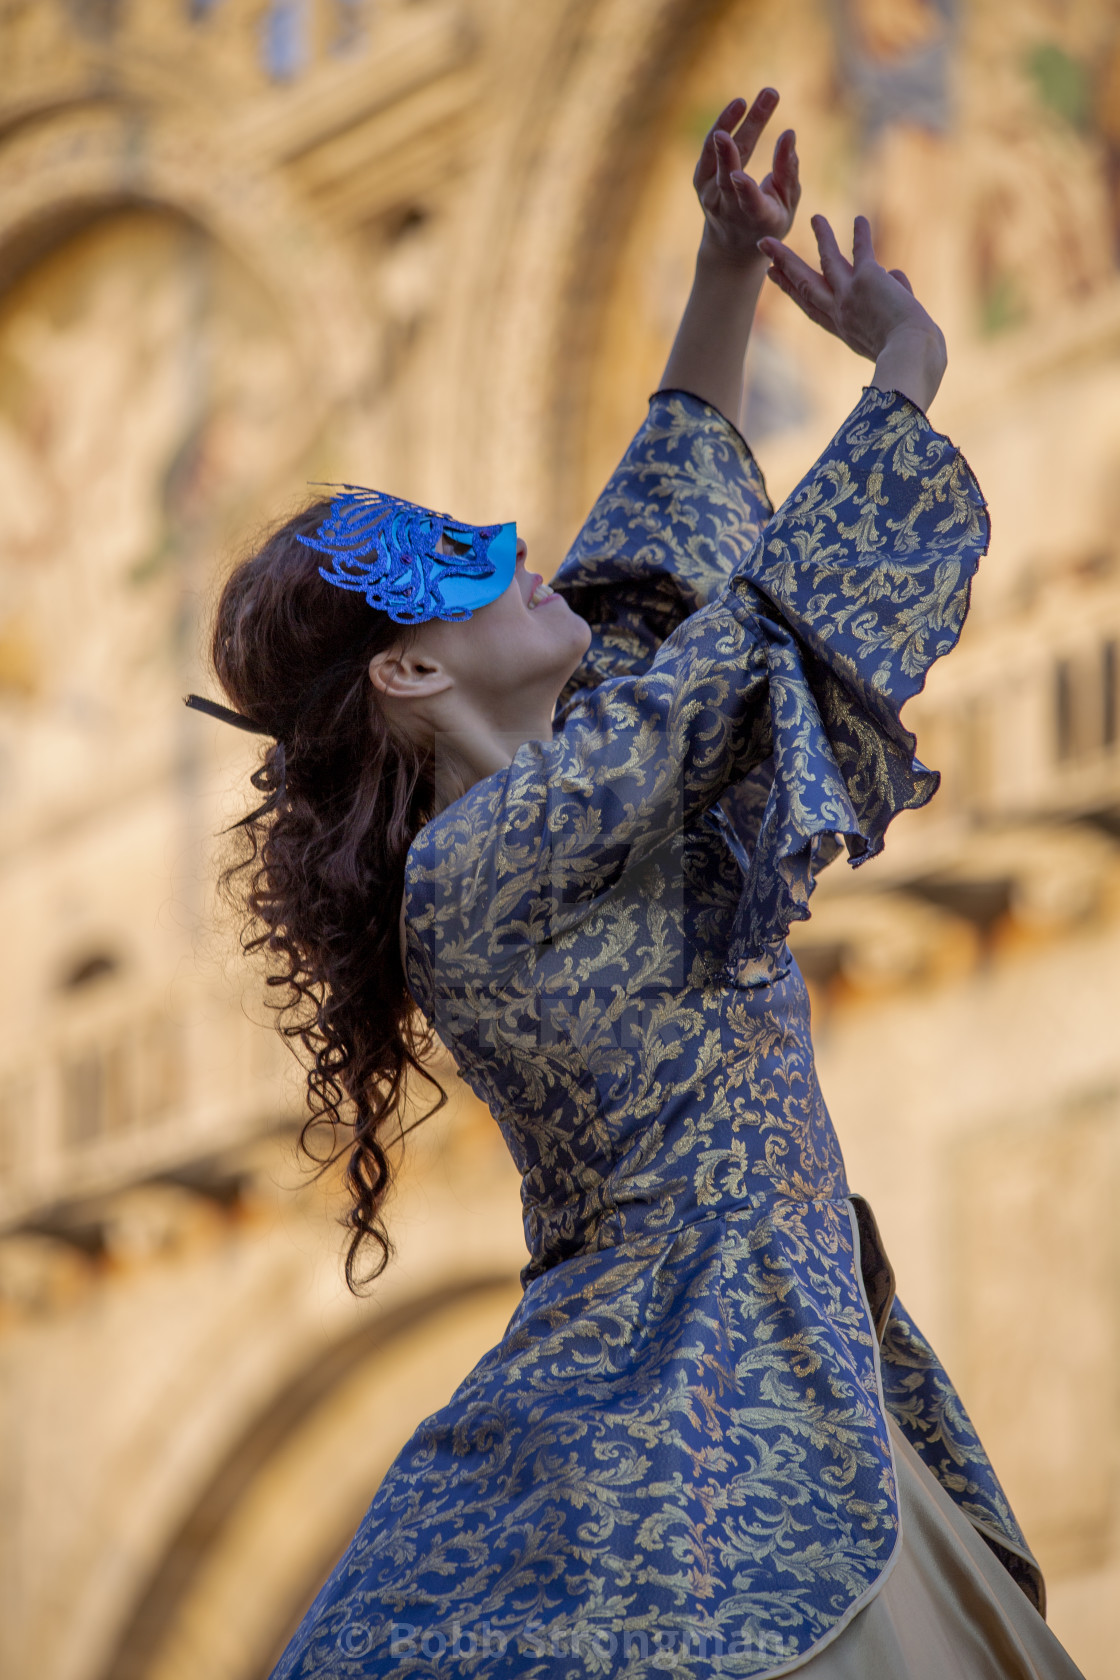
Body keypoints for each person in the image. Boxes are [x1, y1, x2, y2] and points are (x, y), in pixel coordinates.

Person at [193, 89, 1086, 1679]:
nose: (518, 547)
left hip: (798, 1360)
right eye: (459, 567)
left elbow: (655, 542)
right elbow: (734, 654)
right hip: (681, 1409)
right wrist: (907, 373)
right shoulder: (476, 874)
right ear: (409, 668)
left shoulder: (590, 744)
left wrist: (727, 266)